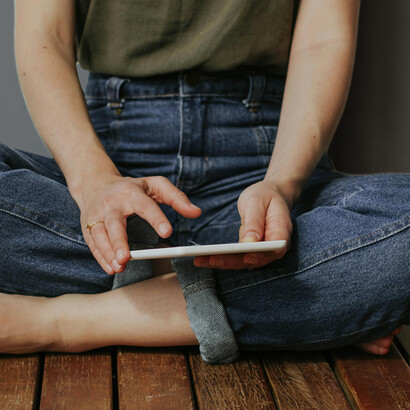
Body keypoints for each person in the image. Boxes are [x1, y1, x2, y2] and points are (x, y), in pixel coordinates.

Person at [1, 0, 408, 362]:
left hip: (267, 160)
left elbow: (323, 40)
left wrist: (281, 182)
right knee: (351, 272)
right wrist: (94, 181)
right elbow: (45, 39)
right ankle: (299, 309)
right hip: (111, 164)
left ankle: (65, 320)